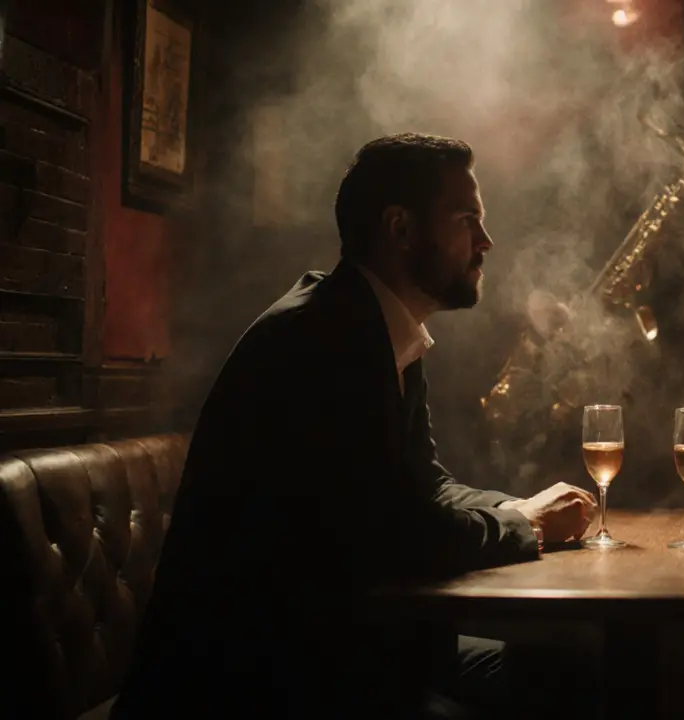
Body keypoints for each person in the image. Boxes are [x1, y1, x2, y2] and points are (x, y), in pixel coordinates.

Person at [112, 134, 598, 719]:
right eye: (468, 218)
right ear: (400, 230)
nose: (486, 241)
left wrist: (519, 506)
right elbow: (402, 534)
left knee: (565, 674)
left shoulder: (376, 327)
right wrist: (527, 527)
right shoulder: (323, 340)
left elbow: (425, 485)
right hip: (256, 681)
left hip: (342, 647)